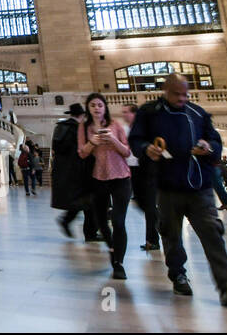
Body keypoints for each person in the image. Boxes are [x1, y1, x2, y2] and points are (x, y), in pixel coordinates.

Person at [128, 74, 227, 306]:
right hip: (167, 185)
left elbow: (215, 141)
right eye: (177, 94)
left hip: (199, 185)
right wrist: (146, 148)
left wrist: (208, 146)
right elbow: (136, 139)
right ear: (165, 90)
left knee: (212, 233)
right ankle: (178, 275)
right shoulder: (149, 112)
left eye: (185, 94)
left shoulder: (198, 114)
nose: (182, 98)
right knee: (171, 234)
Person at [78, 93, 132, 279]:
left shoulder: (115, 125)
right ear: (88, 108)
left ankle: (118, 263)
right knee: (102, 222)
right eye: (93, 105)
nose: (97, 108)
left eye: (100, 105)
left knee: (118, 221)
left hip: (121, 177)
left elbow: (126, 151)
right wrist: (93, 142)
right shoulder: (84, 127)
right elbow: (82, 153)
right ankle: (112, 248)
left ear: (105, 107)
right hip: (98, 178)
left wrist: (112, 139)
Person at [52, 104, 98, 241]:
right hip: (79, 170)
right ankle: (89, 233)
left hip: (64, 171)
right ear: (81, 115)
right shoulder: (78, 129)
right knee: (87, 201)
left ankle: (74, 224)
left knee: (82, 202)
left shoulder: (60, 127)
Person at [122, 105, 159, 251]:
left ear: (134, 114)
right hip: (132, 170)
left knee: (149, 205)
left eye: (126, 112)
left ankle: (152, 240)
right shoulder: (125, 129)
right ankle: (160, 221)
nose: (124, 115)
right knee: (140, 203)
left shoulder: (144, 129)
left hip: (146, 168)